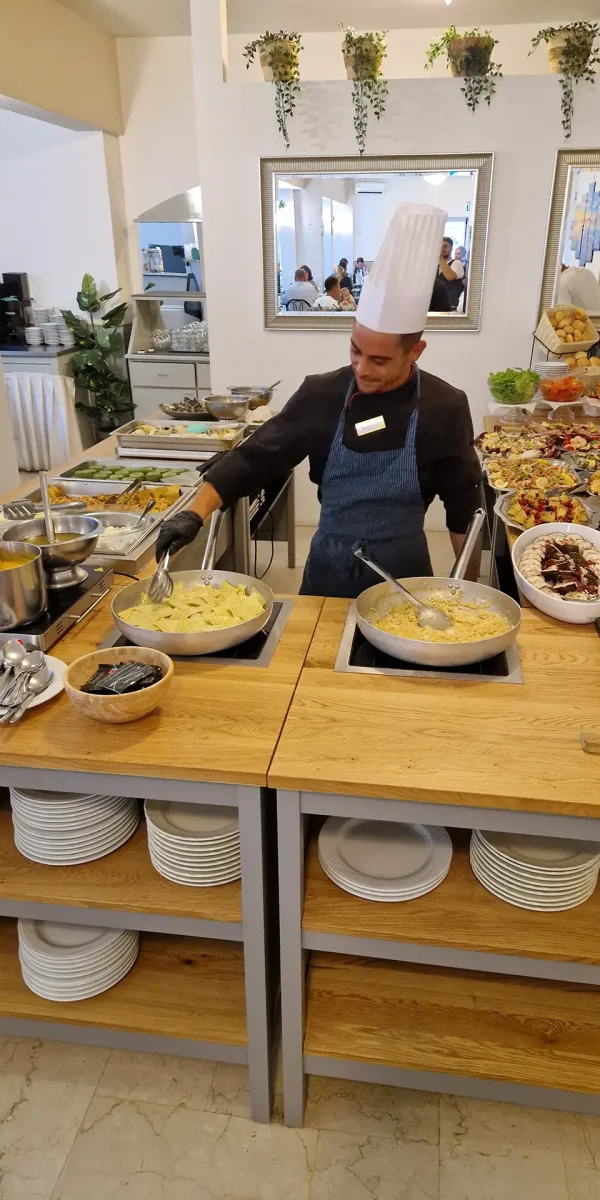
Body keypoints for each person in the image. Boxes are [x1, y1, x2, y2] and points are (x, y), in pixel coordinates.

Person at [156, 202, 482, 599]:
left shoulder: (443, 405)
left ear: (416, 352)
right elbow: (257, 456)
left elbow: (464, 505)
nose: (361, 367)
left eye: (379, 360)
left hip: (405, 576)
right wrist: (194, 511)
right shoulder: (322, 393)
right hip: (329, 566)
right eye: (355, 350)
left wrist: (468, 587)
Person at [437, 237, 465, 311]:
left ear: (451, 248)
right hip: (437, 307)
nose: (442, 249)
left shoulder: (457, 263)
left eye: (445, 246)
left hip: (451, 308)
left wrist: (439, 257)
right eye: (440, 246)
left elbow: (450, 276)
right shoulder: (436, 265)